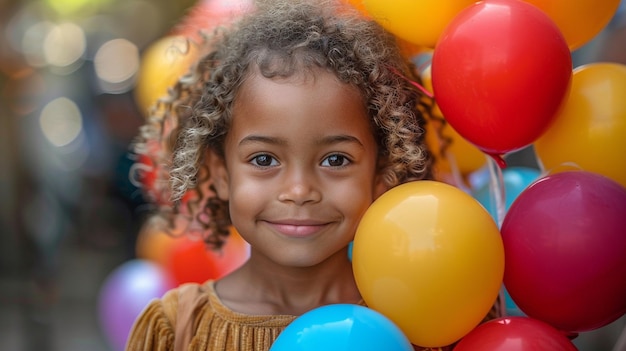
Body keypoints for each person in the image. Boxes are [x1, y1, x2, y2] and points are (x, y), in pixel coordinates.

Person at [125, 1, 500, 350]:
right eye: (264, 159)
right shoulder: (177, 329)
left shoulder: (425, 317)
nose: (299, 190)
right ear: (220, 173)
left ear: (383, 172)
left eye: (335, 160)